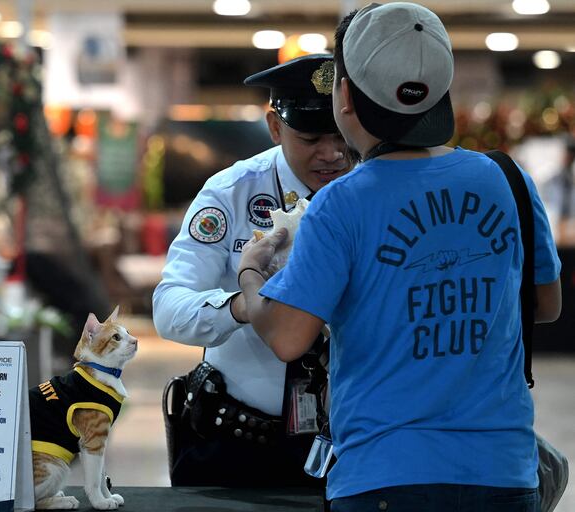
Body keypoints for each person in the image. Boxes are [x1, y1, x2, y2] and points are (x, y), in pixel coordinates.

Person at [237, 3, 562, 510]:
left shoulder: (340, 204)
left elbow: (287, 336)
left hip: (383, 478)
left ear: (344, 95)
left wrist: (252, 272)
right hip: (503, 474)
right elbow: (546, 303)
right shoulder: (507, 178)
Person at [152, 54, 353, 490]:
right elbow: (169, 307)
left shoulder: (371, 191)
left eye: (342, 136)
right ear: (275, 127)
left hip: (351, 444)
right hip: (239, 445)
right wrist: (243, 306)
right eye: (312, 137)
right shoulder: (232, 194)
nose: (333, 153)